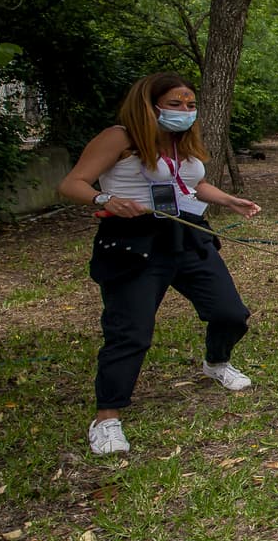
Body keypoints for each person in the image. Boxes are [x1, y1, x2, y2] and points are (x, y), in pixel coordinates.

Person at [57, 73, 263, 456]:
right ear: (149, 105)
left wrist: (229, 200)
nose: (184, 111)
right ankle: (106, 418)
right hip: (134, 241)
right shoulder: (120, 138)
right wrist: (104, 201)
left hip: (187, 237)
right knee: (130, 331)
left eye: (189, 105)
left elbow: (193, 186)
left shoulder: (180, 142)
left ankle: (217, 362)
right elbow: (73, 183)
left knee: (230, 312)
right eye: (174, 104)